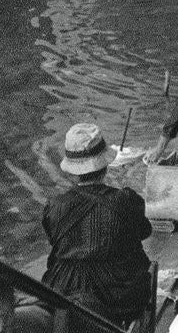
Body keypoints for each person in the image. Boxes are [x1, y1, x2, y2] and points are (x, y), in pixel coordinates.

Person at [41, 123, 152, 327]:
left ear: (73, 169)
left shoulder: (54, 206)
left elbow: (54, 240)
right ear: (105, 163)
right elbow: (145, 231)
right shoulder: (124, 200)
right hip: (116, 295)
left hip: (63, 289)